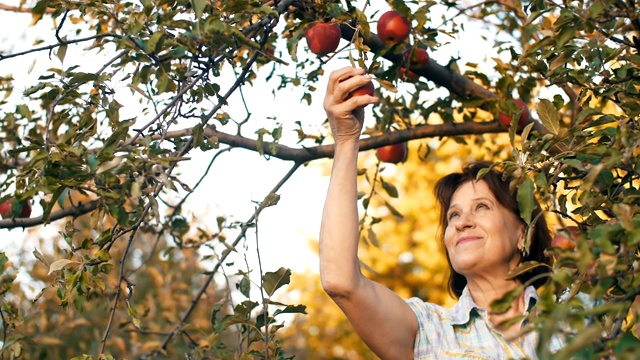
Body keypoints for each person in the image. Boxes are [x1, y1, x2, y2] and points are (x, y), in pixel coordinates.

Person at [319, 66, 559, 359]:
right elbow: (341, 282)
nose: (461, 223)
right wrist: (346, 140)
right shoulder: (428, 332)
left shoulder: (578, 320)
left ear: (524, 232)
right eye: (453, 216)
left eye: (482, 207)